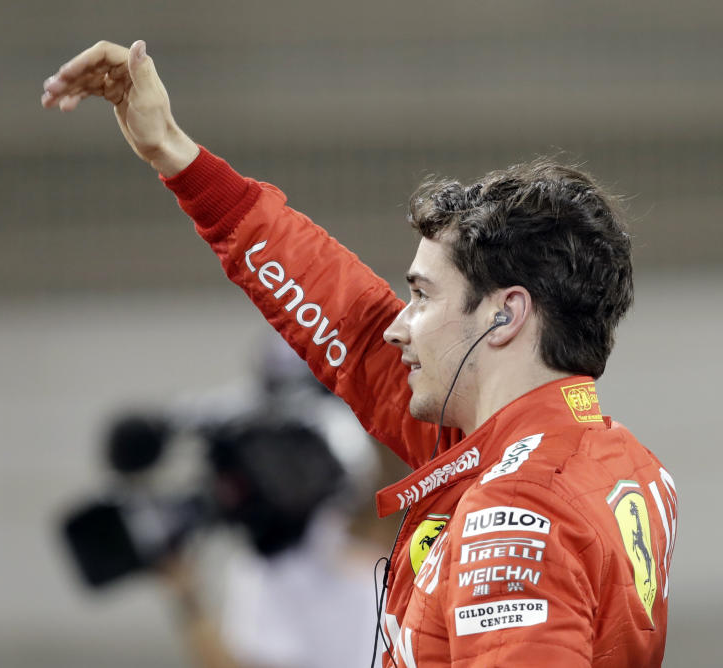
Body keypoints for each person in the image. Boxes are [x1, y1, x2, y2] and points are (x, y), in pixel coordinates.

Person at [41, 40, 679, 667]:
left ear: (503, 315)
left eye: (423, 297)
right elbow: (347, 322)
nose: (401, 326)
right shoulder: (608, 457)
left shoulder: (515, 511)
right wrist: (176, 154)